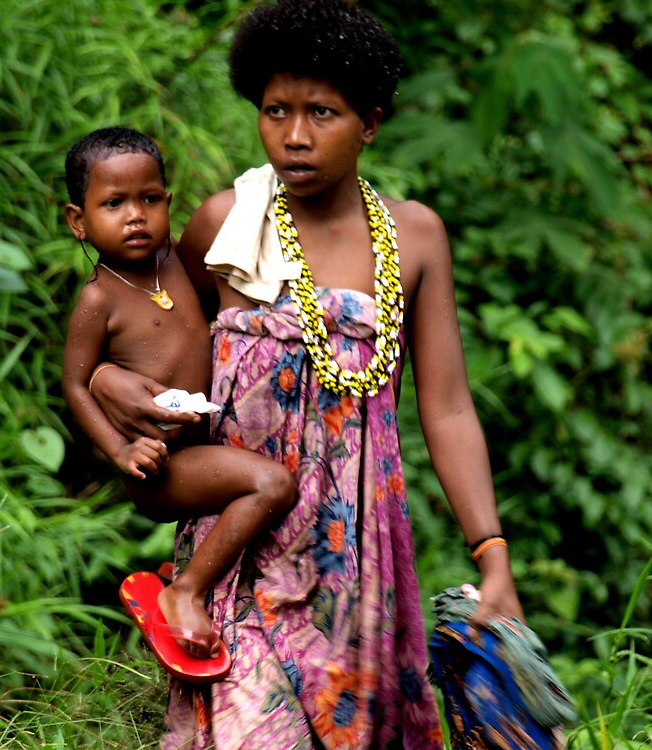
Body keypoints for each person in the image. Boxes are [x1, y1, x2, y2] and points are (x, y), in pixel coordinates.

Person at [89, 1, 524, 746]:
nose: (294, 135)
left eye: (322, 112)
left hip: (356, 562)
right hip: (239, 546)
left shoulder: (414, 238)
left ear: (371, 123)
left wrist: (492, 555)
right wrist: (111, 389)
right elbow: (147, 336)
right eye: (275, 110)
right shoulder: (225, 225)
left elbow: (447, 409)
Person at [61, 127, 296, 664]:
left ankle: (192, 574)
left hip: (202, 443)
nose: (135, 215)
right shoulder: (99, 299)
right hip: (162, 464)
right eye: (114, 203)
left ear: (168, 203)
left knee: (270, 479)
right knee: (273, 484)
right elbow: (75, 384)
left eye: (148, 200)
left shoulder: (179, 261)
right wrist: (120, 452)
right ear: (79, 220)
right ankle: (184, 591)